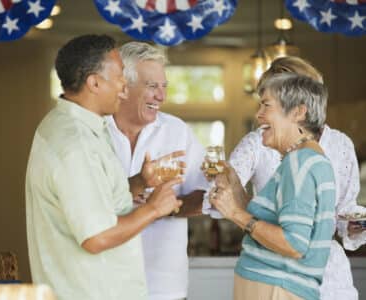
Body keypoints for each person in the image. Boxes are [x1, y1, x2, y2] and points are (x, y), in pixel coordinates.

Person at [25, 35, 183, 300]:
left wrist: (139, 182)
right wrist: (154, 208)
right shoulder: (76, 145)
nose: (125, 87)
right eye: (121, 77)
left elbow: (96, 200)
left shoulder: (66, 126)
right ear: (94, 83)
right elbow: (97, 237)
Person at [229, 56, 366, 300]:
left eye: (268, 103)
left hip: (322, 273)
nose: (260, 114)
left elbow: (341, 215)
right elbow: (224, 193)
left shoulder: (333, 146)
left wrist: (356, 226)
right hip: (274, 265)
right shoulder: (259, 142)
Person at [210, 73, 336, 300]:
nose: (258, 115)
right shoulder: (308, 158)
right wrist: (236, 187)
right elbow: (278, 223)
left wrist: (235, 214)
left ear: (298, 112)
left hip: (275, 288)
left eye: (266, 105)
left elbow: (293, 244)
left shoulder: (299, 162)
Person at [106, 41, 209, 300]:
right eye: (152, 86)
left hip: (163, 288)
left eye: (164, 87)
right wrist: (134, 188)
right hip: (101, 286)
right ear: (123, 87)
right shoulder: (93, 131)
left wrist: (168, 206)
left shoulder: (177, 131)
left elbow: (208, 195)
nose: (161, 96)